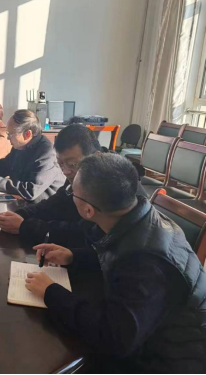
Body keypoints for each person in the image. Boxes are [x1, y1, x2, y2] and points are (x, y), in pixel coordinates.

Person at [25, 153, 206, 374]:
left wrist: (51, 292)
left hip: (171, 357)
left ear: (88, 210)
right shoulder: (140, 215)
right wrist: (73, 256)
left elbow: (114, 338)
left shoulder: (145, 263)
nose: (70, 194)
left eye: (72, 191)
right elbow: (120, 254)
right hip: (152, 330)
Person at [0, 124, 146, 247]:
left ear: (95, 156)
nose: (66, 171)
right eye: (60, 164)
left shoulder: (113, 182)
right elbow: (55, 204)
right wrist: (21, 214)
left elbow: (85, 233)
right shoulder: (82, 173)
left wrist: (26, 227)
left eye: (72, 164)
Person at [0, 110, 65, 201]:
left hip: (42, 209)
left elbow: (31, 190)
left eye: (10, 134)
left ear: (27, 134)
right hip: (22, 203)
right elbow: (5, 165)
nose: (8, 138)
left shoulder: (46, 153)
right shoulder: (20, 146)